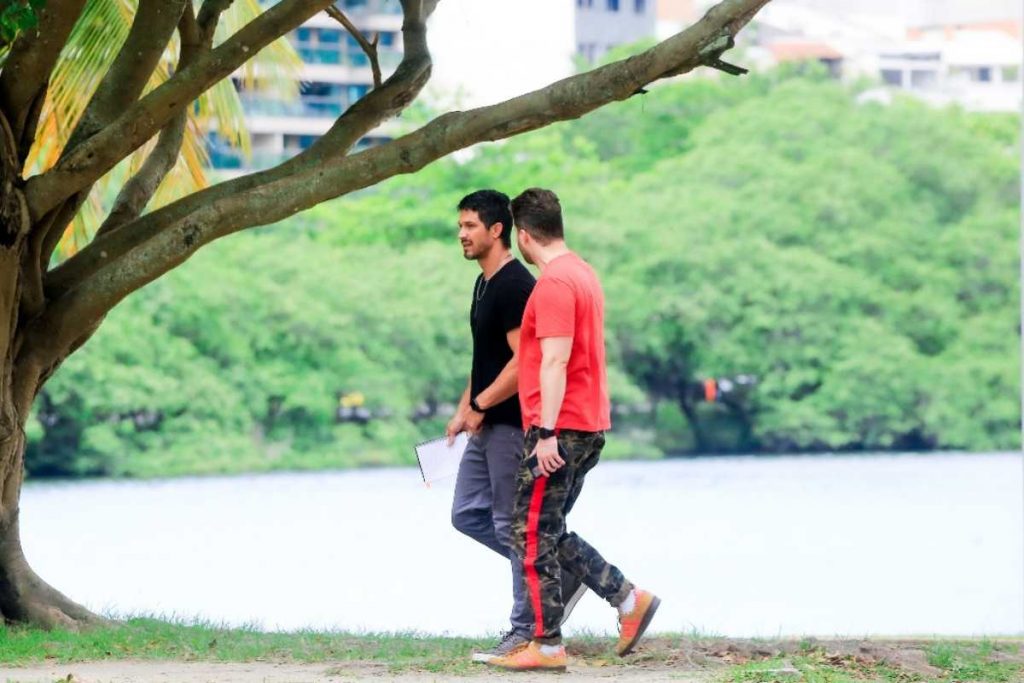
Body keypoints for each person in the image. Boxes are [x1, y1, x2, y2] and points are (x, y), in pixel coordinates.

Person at [487, 188, 660, 673]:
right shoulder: (582, 272)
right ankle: (628, 599)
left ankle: (547, 643)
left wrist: (545, 432)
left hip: (561, 428)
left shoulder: (555, 284)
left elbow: (556, 360)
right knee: (546, 529)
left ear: (523, 235)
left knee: (529, 533)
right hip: (584, 423)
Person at [446, 190, 586, 663]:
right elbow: (484, 359)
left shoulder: (514, 286)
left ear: (497, 230)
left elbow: (523, 362)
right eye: (460, 226)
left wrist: (482, 404)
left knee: (514, 525)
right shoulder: (483, 284)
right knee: (468, 514)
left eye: (470, 226)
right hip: (483, 422)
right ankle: (559, 575)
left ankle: (525, 630)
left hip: (511, 423)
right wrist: (464, 409)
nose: (462, 234)